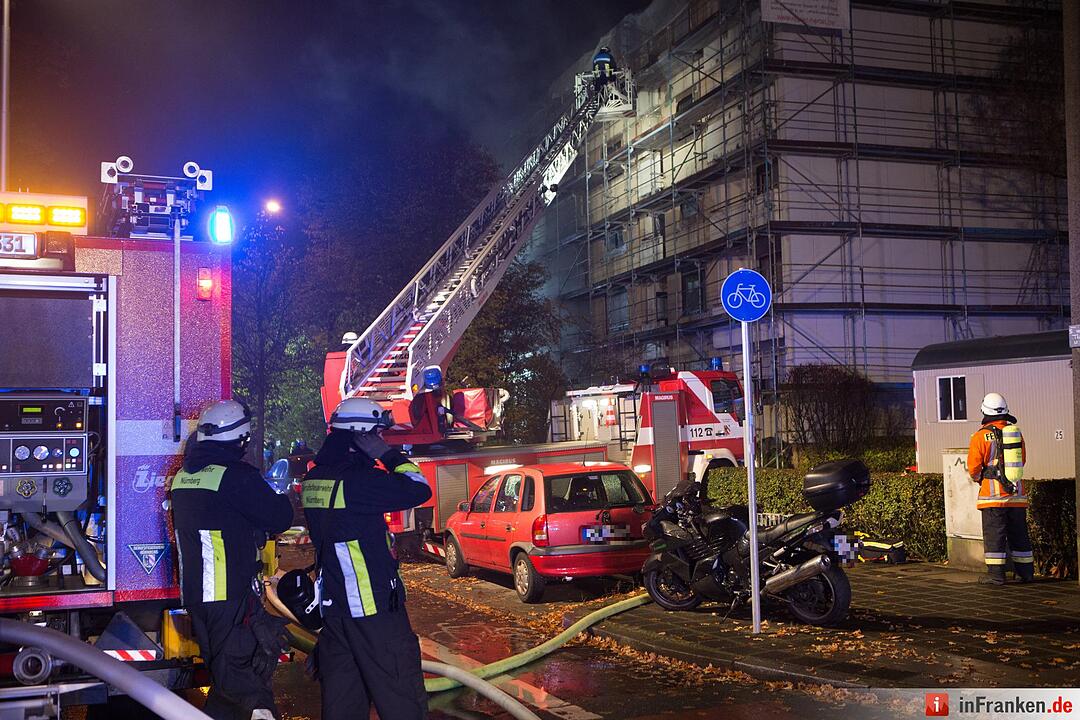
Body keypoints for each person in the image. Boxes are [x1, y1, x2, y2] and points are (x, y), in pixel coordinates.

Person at [303, 397, 433, 720]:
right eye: (377, 434)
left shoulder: (313, 480)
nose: (381, 440)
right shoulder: (359, 482)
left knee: (342, 705)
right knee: (402, 699)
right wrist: (387, 455)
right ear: (362, 436)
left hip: (336, 615)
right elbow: (419, 487)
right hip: (373, 612)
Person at [170, 400, 295, 720]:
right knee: (244, 689)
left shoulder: (185, 477)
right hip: (230, 598)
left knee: (227, 680)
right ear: (240, 440)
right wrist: (276, 492)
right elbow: (280, 516)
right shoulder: (236, 476)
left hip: (199, 598)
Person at [967, 392, 1032, 585]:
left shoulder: (980, 436)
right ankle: (1025, 573)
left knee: (995, 536)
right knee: (1019, 535)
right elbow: (1022, 461)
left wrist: (981, 479)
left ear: (985, 412)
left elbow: (973, 468)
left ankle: (996, 576)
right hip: (1017, 495)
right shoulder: (1015, 433)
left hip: (993, 498)